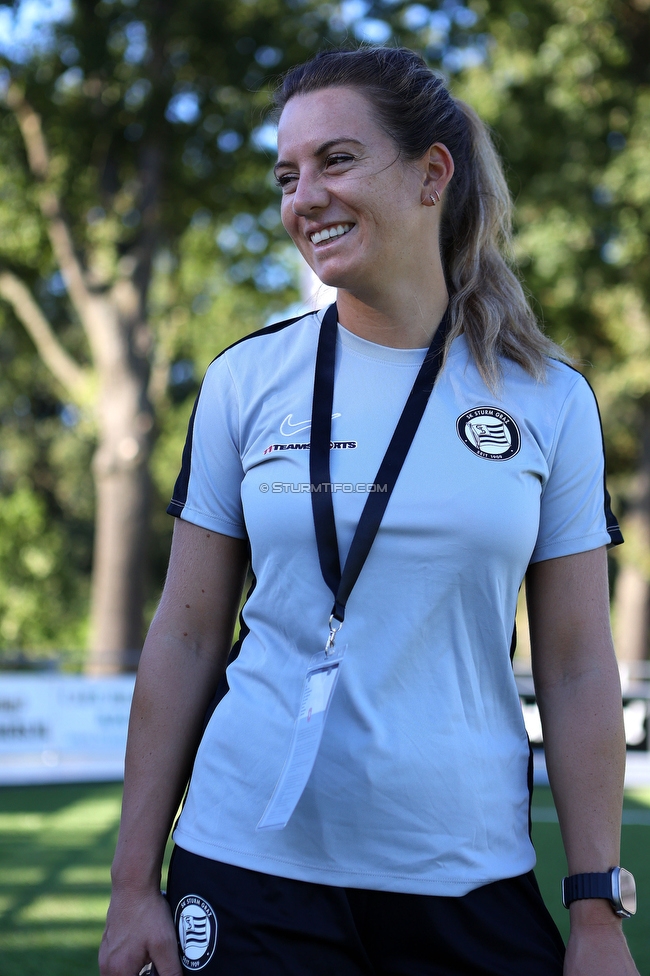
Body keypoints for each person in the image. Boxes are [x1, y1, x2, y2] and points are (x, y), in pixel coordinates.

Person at [99, 47, 640, 976]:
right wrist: (130, 887)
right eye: (287, 174)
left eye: (337, 161)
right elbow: (184, 641)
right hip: (244, 870)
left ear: (434, 174)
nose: (304, 196)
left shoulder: (550, 401)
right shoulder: (243, 381)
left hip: (466, 879)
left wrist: (597, 911)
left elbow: (580, 663)